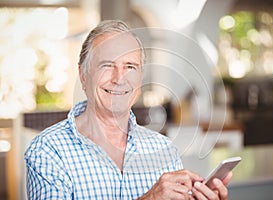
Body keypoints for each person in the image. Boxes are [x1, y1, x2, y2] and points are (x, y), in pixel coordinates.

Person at [25, 20, 232, 200]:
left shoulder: (163, 149)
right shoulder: (47, 152)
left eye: (130, 67)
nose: (119, 78)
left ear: (140, 78)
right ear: (83, 75)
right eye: (107, 65)